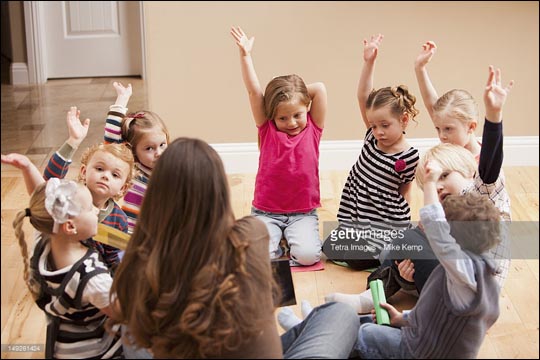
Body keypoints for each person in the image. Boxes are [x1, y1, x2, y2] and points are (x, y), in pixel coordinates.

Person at [109, 137, 360, 359]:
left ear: (155, 198)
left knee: (129, 327)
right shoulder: (251, 235)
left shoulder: (136, 266)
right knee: (341, 314)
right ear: (219, 194)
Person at [325, 65, 513, 313]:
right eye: (439, 129)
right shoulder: (453, 177)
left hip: (471, 293)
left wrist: (494, 114)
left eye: (444, 176)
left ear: (469, 172)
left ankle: (397, 298)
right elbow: (435, 108)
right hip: (456, 269)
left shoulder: (481, 185)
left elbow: (490, 161)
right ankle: (383, 292)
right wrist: (420, 69)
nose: (439, 184)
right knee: (409, 239)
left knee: (409, 238)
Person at [353, 162, 502, 359]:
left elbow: (435, 227)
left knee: (363, 335)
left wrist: (431, 183)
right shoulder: (484, 278)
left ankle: (307, 338)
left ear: (452, 239)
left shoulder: (463, 269)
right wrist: (403, 318)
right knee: (364, 323)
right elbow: (439, 316)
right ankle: (315, 324)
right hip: (423, 340)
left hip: (420, 352)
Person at [230, 26, 327, 266]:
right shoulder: (268, 130)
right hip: (266, 212)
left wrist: (296, 92)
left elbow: (320, 88)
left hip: (302, 214)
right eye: (283, 118)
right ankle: (277, 244)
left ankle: (288, 243)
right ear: (272, 116)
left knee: (308, 257)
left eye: (297, 114)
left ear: (306, 109)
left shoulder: (313, 129)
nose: (291, 122)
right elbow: (254, 92)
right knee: (257, 259)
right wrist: (245, 55)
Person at [323, 34, 420, 271]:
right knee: (328, 247)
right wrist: (369, 62)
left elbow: (405, 192)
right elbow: (362, 96)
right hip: (359, 217)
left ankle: (389, 252)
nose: (378, 132)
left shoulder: (408, 157)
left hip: (385, 223)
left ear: (404, 120)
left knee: (354, 259)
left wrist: (399, 231)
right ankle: (375, 250)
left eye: (385, 126)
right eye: (374, 125)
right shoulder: (371, 136)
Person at [10, 175, 122, 358]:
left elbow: (46, 207)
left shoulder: (44, 242)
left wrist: (27, 168)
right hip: (93, 347)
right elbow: (123, 312)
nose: (96, 211)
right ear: (70, 226)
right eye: (90, 208)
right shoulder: (93, 280)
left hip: (62, 339)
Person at [41, 106, 135, 271]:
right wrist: (73, 142)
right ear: (84, 172)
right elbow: (50, 180)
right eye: (99, 169)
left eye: (115, 175)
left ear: (123, 188)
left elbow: (114, 258)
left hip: (92, 278)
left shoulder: (118, 219)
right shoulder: (70, 195)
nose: (106, 176)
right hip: (59, 268)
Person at [105, 81, 170, 234]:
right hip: (130, 235)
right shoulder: (132, 169)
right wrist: (122, 100)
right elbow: (111, 138)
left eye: (162, 145)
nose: (158, 153)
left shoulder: (170, 168)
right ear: (132, 150)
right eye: (149, 148)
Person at [415, 40, 482, 158]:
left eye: (448, 129)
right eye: (438, 129)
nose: (442, 136)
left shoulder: (484, 163)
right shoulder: (450, 147)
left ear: (471, 127)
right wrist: (419, 68)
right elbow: (430, 102)